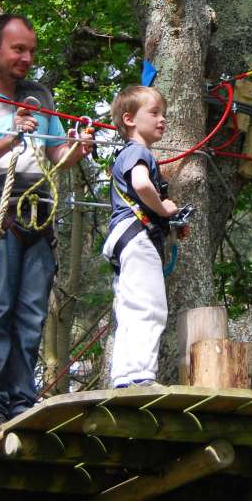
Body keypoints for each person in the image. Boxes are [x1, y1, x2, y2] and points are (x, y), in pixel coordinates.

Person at [0, 14, 92, 438]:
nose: (27, 58)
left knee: (31, 315)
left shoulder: (39, 96)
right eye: (18, 49)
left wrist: (77, 149)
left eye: (31, 51)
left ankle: (22, 405)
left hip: (38, 213)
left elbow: (57, 150)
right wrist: (8, 137)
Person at [102, 86, 179, 389]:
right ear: (129, 119)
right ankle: (140, 377)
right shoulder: (138, 152)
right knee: (150, 306)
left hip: (126, 238)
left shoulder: (127, 153)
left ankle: (126, 376)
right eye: (155, 113)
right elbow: (142, 186)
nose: (162, 120)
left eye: (164, 115)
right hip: (137, 236)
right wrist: (165, 209)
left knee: (132, 307)